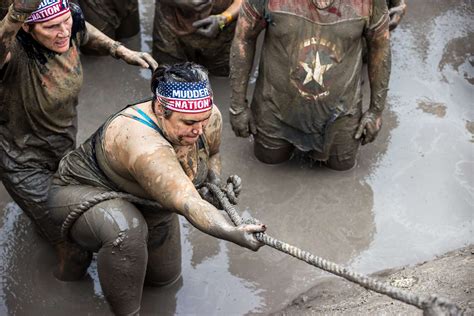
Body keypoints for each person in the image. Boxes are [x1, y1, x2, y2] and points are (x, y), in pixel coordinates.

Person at [47, 62, 266, 315]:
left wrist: (213, 183)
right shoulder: (142, 142)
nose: (198, 130)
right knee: (125, 229)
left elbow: (212, 153)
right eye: (188, 123)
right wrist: (231, 230)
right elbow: (186, 201)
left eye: (204, 121)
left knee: (166, 281)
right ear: (161, 109)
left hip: (150, 201)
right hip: (80, 193)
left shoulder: (207, 116)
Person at [0, 0, 157, 271]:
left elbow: (83, 30)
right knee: (74, 251)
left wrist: (118, 50)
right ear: (27, 27)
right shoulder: (14, 52)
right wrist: (17, 12)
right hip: (22, 161)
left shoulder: (68, 28)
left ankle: (42, 222)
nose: (63, 32)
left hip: (62, 147)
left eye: (66, 22)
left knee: (65, 215)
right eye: (51, 27)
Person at [229, 0, 391, 170]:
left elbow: (380, 47)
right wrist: (238, 107)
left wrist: (375, 111)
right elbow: (244, 39)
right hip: (274, 111)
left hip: (341, 114)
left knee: (341, 169)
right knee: (267, 164)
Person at [153, 0, 242, 76]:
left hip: (221, 30)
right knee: (168, 77)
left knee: (221, 77)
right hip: (170, 26)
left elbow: (248, 3)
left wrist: (224, 18)